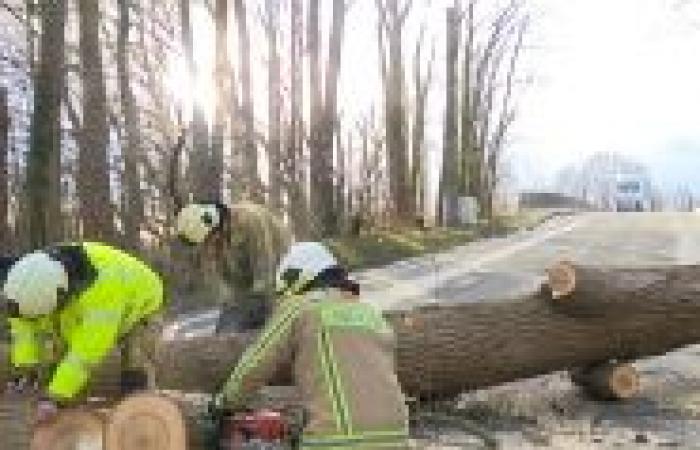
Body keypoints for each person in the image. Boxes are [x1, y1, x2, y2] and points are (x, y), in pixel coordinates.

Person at [219, 242, 410, 449]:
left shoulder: (300, 307)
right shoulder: (371, 313)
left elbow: (257, 362)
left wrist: (224, 403)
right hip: (396, 435)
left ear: (294, 279)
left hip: (336, 439)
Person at [0, 242, 164, 413]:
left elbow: (84, 355)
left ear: (61, 298)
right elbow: (24, 330)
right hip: (78, 302)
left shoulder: (102, 295)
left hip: (142, 306)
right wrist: (26, 367)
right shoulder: (24, 281)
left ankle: (139, 413)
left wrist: (56, 397)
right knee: (56, 364)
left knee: (136, 367)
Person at [174, 201, 291, 330]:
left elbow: (266, 272)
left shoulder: (250, 221)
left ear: (213, 230)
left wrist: (258, 309)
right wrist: (230, 306)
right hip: (248, 285)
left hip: (279, 275)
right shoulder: (214, 241)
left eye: (207, 242)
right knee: (228, 326)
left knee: (263, 320)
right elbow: (226, 284)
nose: (207, 249)